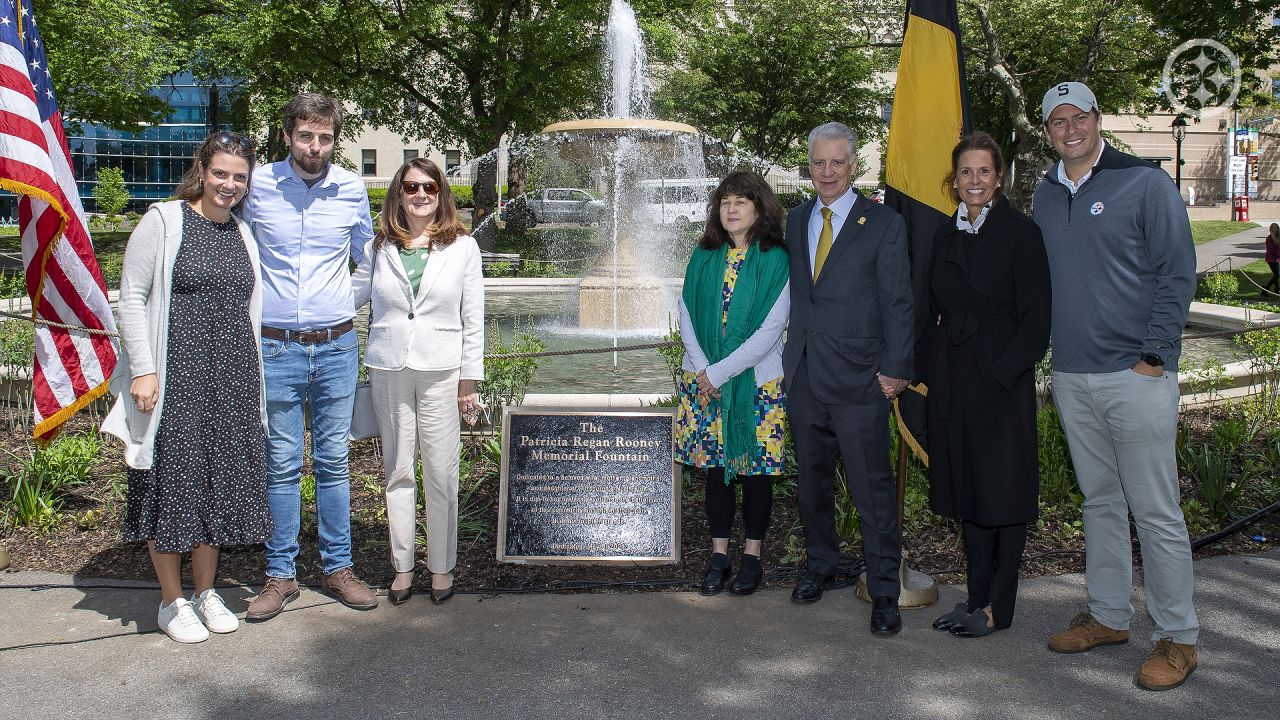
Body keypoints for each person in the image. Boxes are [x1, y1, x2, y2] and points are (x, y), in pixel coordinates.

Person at [1034, 81, 1199, 690]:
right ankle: (1108, 615)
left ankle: (1178, 636)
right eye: (1058, 121)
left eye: (1079, 117)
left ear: (1098, 120)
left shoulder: (1145, 183)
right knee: (1099, 502)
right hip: (1074, 375)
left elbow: (1177, 269)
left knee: (1156, 510)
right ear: (1047, 130)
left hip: (1137, 373)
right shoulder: (1046, 193)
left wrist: (1155, 354)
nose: (1069, 128)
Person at [103, 131, 270, 643]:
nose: (229, 184)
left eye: (239, 177)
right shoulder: (165, 220)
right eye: (221, 173)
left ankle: (205, 591)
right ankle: (171, 601)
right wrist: (144, 368)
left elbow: (250, 306)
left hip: (233, 377)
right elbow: (132, 297)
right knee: (173, 482)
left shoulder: (241, 232)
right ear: (202, 170)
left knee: (217, 484)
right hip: (177, 376)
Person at [241, 93, 378, 620]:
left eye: (324, 138)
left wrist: (345, 301)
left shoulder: (350, 188)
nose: (315, 147)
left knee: (333, 462)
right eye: (306, 136)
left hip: (337, 346)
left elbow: (369, 257)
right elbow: (241, 254)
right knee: (279, 464)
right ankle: (280, 575)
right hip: (275, 347)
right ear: (288, 135)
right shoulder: (259, 186)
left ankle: (338, 568)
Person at [782, 122, 914, 636]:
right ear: (809, 165)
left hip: (863, 380)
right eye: (819, 162)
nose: (827, 172)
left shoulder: (882, 223)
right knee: (813, 486)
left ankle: (885, 590)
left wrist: (896, 370)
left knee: (871, 490)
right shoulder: (795, 221)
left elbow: (898, 300)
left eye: (837, 162)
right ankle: (822, 567)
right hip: (805, 377)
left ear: (854, 164)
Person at [922, 132, 1051, 638]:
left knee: (1004, 494)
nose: (974, 181)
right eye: (965, 173)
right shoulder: (943, 235)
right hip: (955, 380)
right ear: (953, 181)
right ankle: (975, 597)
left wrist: (1001, 374)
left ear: (999, 177)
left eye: (983, 171)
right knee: (968, 493)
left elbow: (1037, 321)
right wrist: (929, 370)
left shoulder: (1023, 234)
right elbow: (933, 310)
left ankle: (1000, 607)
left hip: (1001, 381)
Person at [351, 159, 484, 605]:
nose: (420, 194)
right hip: (389, 367)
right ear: (399, 194)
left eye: (429, 186)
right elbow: (349, 297)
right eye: (411, 187)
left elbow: (473, 318)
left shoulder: (463, 246)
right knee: (398, 472)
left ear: (441, 193)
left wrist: (470, 380)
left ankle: (442, 568)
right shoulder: (378, 246)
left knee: (442, 472)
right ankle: (403, 568)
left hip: (442, 369)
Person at [674, 170, 790, 597]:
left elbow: (769, 330)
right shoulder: (704, 255)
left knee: (756, 475)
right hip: (704, 383)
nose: (732, 208)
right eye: (725, 201)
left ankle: (753, 558)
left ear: (759, 208)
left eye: (742, 200)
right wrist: (705, 370)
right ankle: (719, 555)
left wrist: (718, 373)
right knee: (717, 473)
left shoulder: (776, 259)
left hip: (757, 386)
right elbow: (686, 312)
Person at [1263, 223, 1279, 295]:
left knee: (1277, 274)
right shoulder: (1269, 238)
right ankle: (1276, 289)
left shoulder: (1278, 237)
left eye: (1277, 228)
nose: (1276, 229)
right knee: (1277, 274)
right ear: (1271, 229)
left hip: (1277, 258)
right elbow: (1273, 250)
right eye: (1274, 228)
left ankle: (1265, 289)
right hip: (1271, 258)